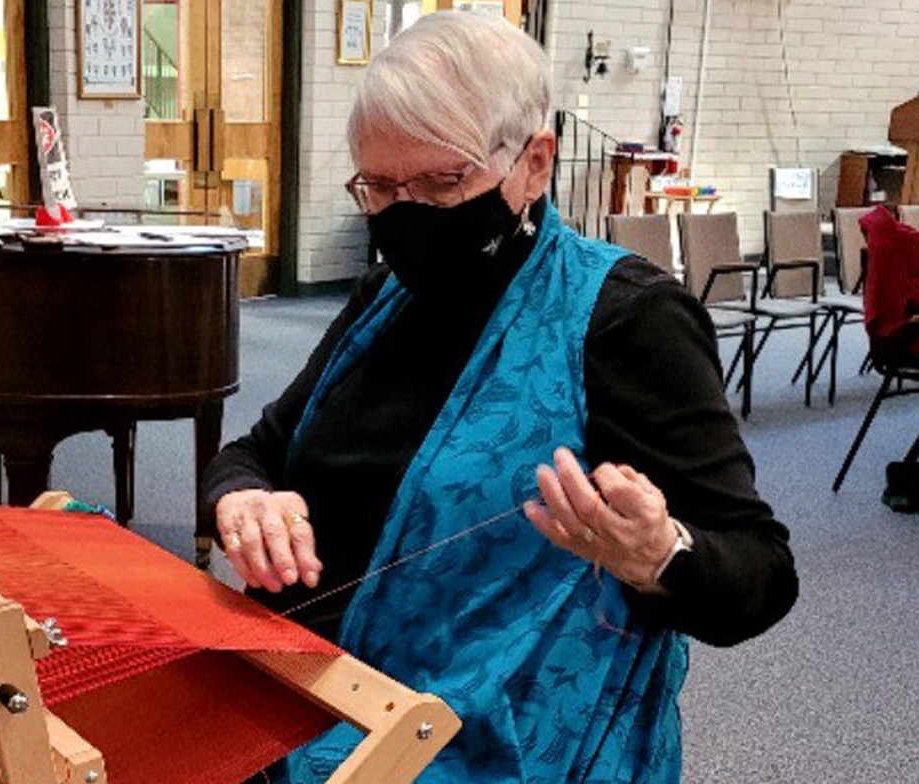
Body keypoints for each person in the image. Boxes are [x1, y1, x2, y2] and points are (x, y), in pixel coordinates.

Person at [203, 12, 798, 783]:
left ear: (534, 163)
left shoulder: (625, 319)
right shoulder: (386, 296)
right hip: (308, 693)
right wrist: (244, 498)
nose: (405, 213)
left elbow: (762, 572)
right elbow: (255, 452)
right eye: (379, 187)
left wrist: (661, 557)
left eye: (441, 182)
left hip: (482, 742)